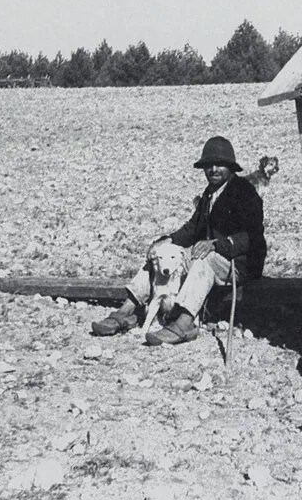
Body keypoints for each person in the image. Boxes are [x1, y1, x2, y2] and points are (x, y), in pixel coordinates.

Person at [91, 136, 267, 345]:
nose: (213, 170)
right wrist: (166, 241)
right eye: (208, 165)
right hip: (216, 257)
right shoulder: (210, 193)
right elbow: (193, 229)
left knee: (205, 258)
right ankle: (126, 309)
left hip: (240, 264)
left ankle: (184, 323)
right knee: (164, 254)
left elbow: (252, 236)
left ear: (230, 166)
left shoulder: (244, 191)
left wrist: (216, 244)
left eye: (219, 164)